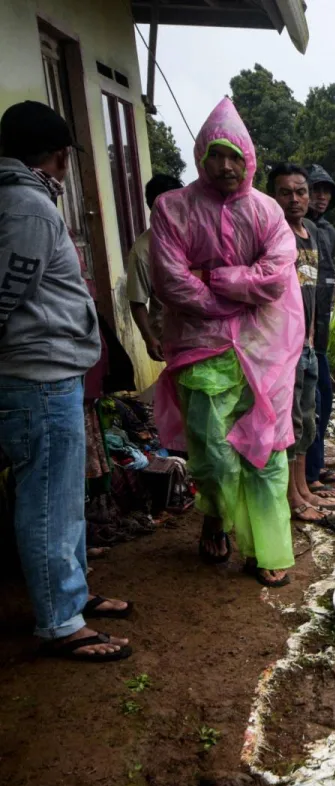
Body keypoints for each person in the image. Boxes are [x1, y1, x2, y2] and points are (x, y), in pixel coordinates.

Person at [149, 98, 303, 587]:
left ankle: (267, 548)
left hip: (266, 351)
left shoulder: (268, 212)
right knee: (213, 454)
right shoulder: (173, 209)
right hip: (202, 349)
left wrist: (212, 277)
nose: (226, 166)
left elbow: (275, 278)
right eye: (216, 154)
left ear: (249, 158)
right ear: (201, 155)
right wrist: (237, 297)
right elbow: (172, 282)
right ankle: (216, 519)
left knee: (265, 451)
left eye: (235, 155)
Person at [0, 100, 132, 660]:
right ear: (59, 155)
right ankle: (59, 621)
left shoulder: (23, 199)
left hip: (50, 372)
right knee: (48, 498)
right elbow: (10, 288)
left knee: (62, 491)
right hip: (39, 374)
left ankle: (72, 592)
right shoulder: (28, 206)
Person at [265, 162, 335, 525]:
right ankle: (292, 497)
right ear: (273, 196)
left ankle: (304, 489)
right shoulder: (274, 234)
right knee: (291, 421)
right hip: (286, 346)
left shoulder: (310, 230)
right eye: (285, 192)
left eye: (301, 192)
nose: (294, 199)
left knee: (307, 418)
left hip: (310, 343)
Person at [303, 163, 335, 493]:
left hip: (320, 332)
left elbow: (324, 284)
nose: (322, 196)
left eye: (326, 191)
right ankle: (308, 476)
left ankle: (317, 465)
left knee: (325, 400)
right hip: (302, 330)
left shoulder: (328, 231)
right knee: (311, 403)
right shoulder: (298, 230)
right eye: (315, 189)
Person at [125, 173, 184, 363]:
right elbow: (137, 301)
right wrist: (149, 338)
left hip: (204, 328)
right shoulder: (143, 250)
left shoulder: (196, 236)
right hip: (170, 335)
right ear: (154, 207)